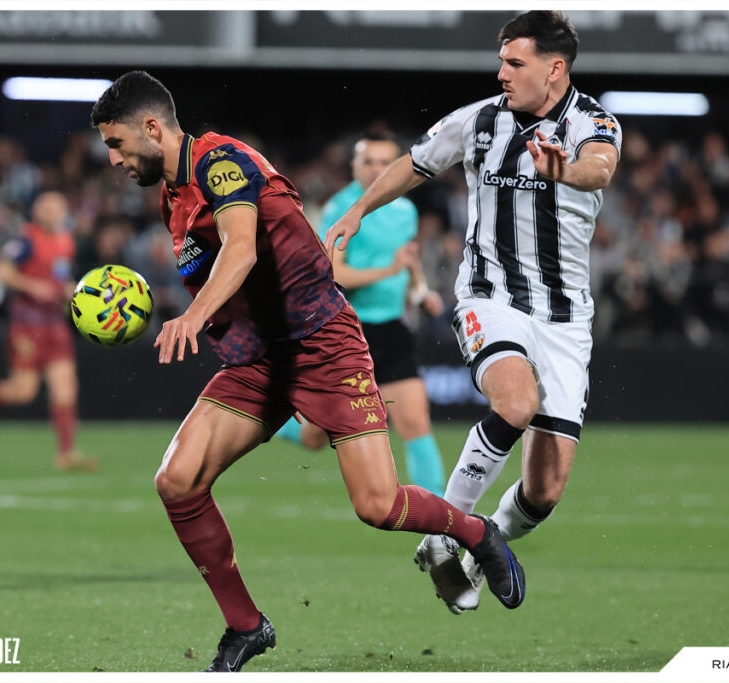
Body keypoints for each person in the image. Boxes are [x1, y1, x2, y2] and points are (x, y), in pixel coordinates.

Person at [91, 71, 525, 673]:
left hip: (323, 344)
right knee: (177, 481)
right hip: (260, 360)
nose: (111, 158)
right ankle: (246, 626)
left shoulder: (220, 162)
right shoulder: (172, 196)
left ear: (150, 128)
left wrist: (191, 316)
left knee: (377, 504)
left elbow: (242, 246)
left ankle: (476, 532)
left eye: (115, 143)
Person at [323, 11, 620, 614]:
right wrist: (359, 212)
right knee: (515, 403)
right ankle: (444, 535)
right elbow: (415, 162)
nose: (502, 72)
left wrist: (559, 167)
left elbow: (600, 167)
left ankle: (482, 546)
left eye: (516, 63)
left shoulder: (594, 122)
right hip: (491, 295)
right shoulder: (479, 121)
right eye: (502, 61)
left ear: (554, 68)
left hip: (565, 318)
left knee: (545, 489)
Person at [275, 131, 447, 497]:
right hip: (348, 333)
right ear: (353, 166)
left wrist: (421, 292)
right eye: (368, 161)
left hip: (392, 329)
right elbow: (333, 273)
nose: (376, 169)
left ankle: (443, 522)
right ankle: (278, 423)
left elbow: (408, 259)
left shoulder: (405, 209)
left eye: (385, 162)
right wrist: (389, 272)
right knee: (315, 436)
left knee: (415, 422)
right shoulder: (341, 208)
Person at [0, 191, 96, 472]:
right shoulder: (26, 239)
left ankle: (66, 453)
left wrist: (71, 291)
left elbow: (60, 278)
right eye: (46, 207)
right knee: (24, 391)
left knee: (66, 387)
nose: (51, 212)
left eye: (56, 207)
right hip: (28, 324)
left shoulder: (66, 242)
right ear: (37, 212)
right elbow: (2, 272)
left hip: (55, 324)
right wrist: (32, 286)